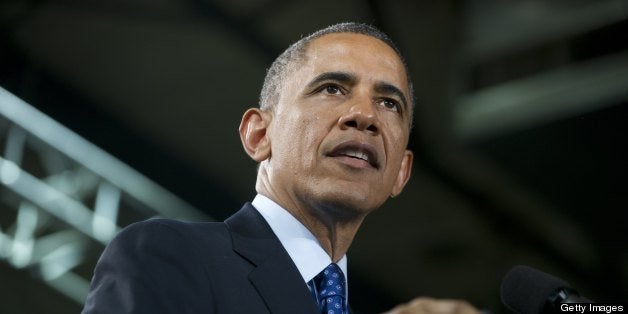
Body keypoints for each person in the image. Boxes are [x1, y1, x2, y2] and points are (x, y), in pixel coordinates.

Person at [82, 22, 480, 314]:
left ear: (401, 172)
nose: (365, 115)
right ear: (259, 135)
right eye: (332, 88)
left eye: (389, 103)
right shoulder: (171, 255)